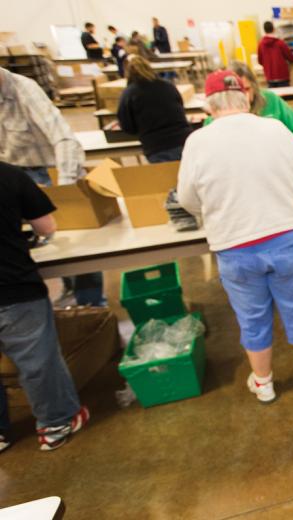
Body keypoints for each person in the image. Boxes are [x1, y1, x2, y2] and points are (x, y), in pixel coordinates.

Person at [176, 70, 293, 403]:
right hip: (286, 238)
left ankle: (263, 383)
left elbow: (188, 200)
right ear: (246, 96)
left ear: (209, 103)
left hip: (234, 246)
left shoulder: (197, 142)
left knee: (251, 317)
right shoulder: (275, 129)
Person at [0, 162, 91, 452]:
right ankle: (56, 423)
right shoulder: (9, 174)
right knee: (36, 361)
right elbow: (45, 226)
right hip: (12, 286)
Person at [0, 66, 104, 307]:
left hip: (45, 174)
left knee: (74, 243)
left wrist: (64, 189)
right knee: (33, 249)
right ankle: (70, 292)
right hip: (10, 179)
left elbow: (65, 139)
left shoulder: (24, 89)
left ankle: (91, 304)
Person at [203, 61, 293, 144]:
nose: (243, 97)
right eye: (237, 92)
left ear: (254, 86)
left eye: (247, 89)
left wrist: (287, 148)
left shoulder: (270, 99)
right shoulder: (215, 116)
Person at [117, 55, 192, 163]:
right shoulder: (168, 85)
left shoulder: (129, 93)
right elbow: (180, 107)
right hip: (184, 139)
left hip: (157, 146)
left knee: (167, 179)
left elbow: (127, 126)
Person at [257, 21, 293, 88]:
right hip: (282, 76)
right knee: (286, 97)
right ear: (273, 29)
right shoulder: (280, 43)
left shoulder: (261, 44)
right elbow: (291, 58)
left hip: (270, 77)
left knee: (274, 97)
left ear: (264, 30)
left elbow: (260, 61)